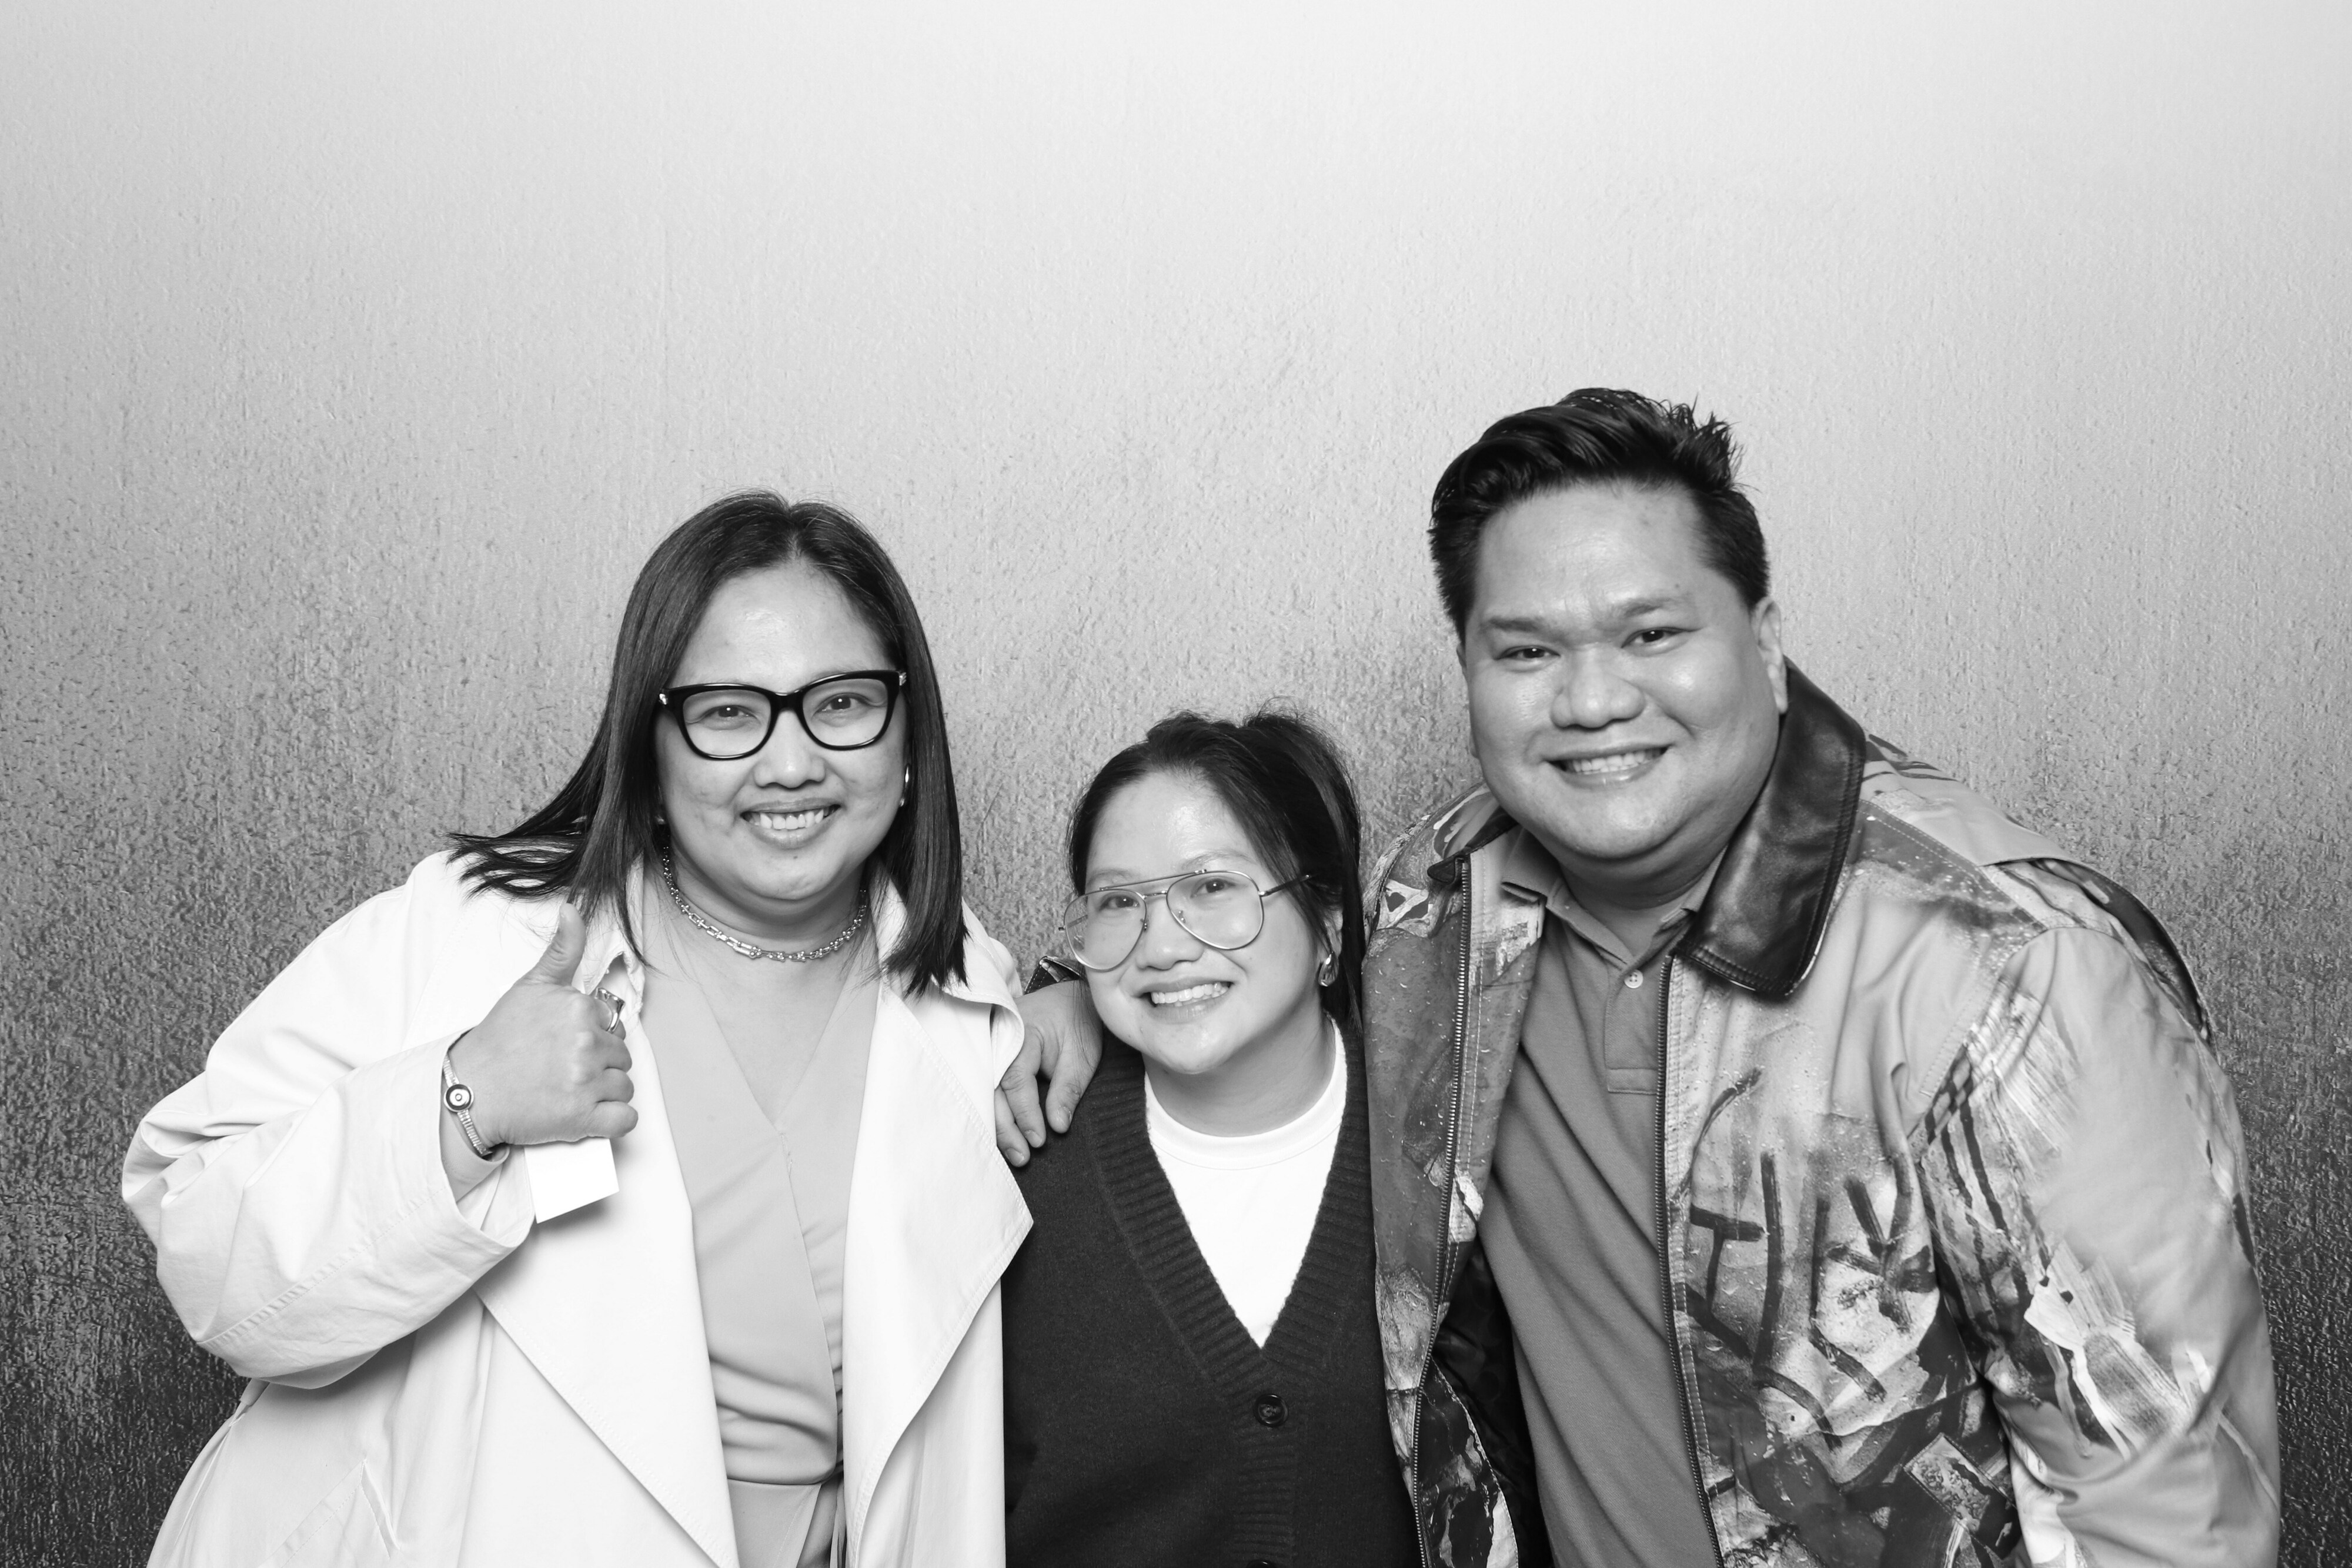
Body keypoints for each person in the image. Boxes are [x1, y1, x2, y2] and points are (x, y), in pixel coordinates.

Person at [1003, 390, 2280, 1567]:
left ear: (1763, 643)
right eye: (1525, 652)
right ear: (1469, 673)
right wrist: (1071, 992)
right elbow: (1242, 931)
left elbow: (2168, 1513)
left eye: (1651, 632)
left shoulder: (2014, 964)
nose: (1592, 698)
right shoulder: (1445, 911)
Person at [123, 493, 1030, 1568]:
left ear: (908, 738)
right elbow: (204, 1252)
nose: (791, 763)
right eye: (729, 713)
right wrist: (462, 1105)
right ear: (651, 749)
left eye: (841, 703)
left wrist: (1079, 996)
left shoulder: (971, 1000)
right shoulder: (473, 932)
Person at [1000, 713, 1481, 1567]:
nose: (1161, 946)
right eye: (1119, 903)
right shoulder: (1021, 1153)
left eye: (1213, 887)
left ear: (1329, 921)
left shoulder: (1450, 1148)